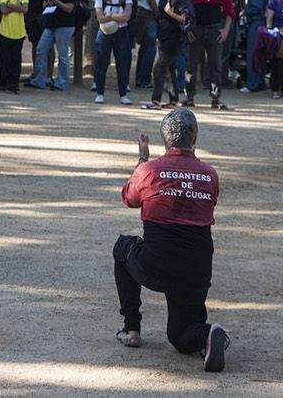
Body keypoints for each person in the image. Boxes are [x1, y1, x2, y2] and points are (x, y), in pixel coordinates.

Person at [112, 109, 229, 373]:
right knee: (181, 336)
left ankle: (131, 328)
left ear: (165, 141)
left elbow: (129, 199)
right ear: (195, 137)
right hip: (197, 270)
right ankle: (209, 335)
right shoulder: (210, 174)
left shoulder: (149, 170)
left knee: (123, 247)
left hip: (157, 265)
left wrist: (142, 159)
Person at [186, 0, 234, 110]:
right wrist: (187, 28)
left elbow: (230, 12)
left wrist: (225, 30)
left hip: (214, 30)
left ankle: (215, 98)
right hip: (195, 29)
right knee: (191, 65)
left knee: (216, 67)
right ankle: (189, 96)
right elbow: (183, 10)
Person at [30, 0, 78, 91]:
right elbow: (46, 3)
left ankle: (61, 82)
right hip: (51, 23)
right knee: (40, 49)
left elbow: (69, 8)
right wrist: (47, 3)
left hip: (65, 24)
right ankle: (40, 79)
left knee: (62, 54)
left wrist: (55, 0)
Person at [92, 0, 136, 106]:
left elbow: (127, 16)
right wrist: (117, 17)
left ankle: (123, 95)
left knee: (122, 63)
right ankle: (100, 93)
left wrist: (110, 16)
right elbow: (99, 17)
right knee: (101, 62)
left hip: (121, 32)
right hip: (104, 32)